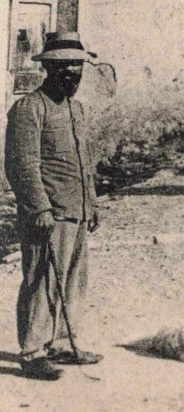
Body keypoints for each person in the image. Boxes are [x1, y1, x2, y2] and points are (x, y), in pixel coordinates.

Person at [4, 33, 102, 380]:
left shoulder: (77, 109)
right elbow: (21, 164)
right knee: (41, 279)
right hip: (46, 213)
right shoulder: (30, 107)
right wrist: (40, 209)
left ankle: (62, 344)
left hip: (75, 211)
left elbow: (83, 161)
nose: (72, 75)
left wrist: (91, 202)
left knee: (74, 280)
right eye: (64, 69)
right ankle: (32, 353)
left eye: (77, 69)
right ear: (49, 68)